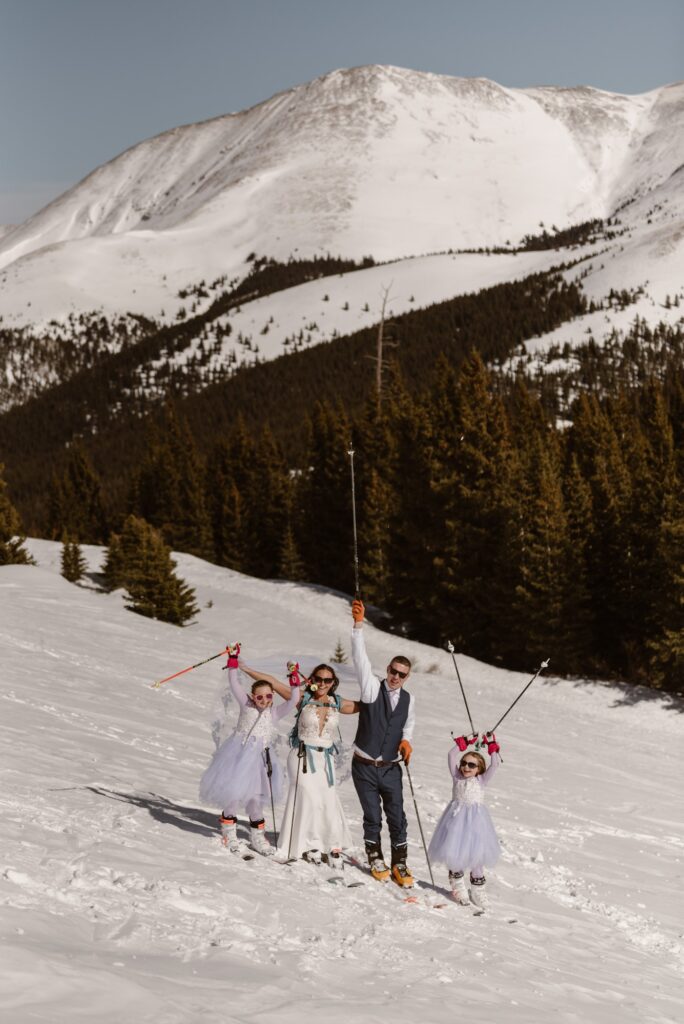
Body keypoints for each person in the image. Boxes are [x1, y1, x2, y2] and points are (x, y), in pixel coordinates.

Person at [199, 644, 300, 856]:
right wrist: (233, 659)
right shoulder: (246, 705)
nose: (264, 700)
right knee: (234, 794)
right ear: (252, 697)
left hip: (260, 760)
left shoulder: (274, 713)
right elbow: (234, 682)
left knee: (256, 798)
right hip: (238, 756)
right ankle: (229, 832)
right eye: (259, 697)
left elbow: (294, 700)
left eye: (268, 696)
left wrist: (294, 679)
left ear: (273, 696)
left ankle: (257, 837)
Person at [350, 599, 416, 887]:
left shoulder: (409, 699)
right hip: (364, 765)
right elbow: (360, 658)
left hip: (391, 768)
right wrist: (358, 626)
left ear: (406, 676)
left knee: (397, 816)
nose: (395, 677)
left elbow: (408, 725)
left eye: (401, 674)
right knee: (373, 816)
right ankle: (375, 855)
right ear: (387, 669)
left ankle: (399, 862)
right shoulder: (371, 688)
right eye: (393, 671)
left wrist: (406, 742)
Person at [277, 663, 359, 867]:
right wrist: (239, 666)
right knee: (308, 796)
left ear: (333, 683)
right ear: (312, 679)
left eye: (327, 680)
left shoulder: (337, 703)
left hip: (326, 759)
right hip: (302, 756)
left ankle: (330, 844)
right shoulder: (302, 698)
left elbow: (368, 706)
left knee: (327, 800)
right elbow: (272, 683)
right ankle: (308, 844)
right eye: (318, 679)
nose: (322, 683)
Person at [427, 735, 502, 909]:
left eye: (471, 765)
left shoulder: (481, 780)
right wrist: (464, 742)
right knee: (455, 851)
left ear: (479, 768)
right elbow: (451, 756)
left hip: (476, 823)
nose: (466, 767)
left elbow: (496, 764)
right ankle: (458, 884)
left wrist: (492, 746)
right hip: (455, 821)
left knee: (476, 854)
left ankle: (478, 890)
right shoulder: (457, 777)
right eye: (464, 763)